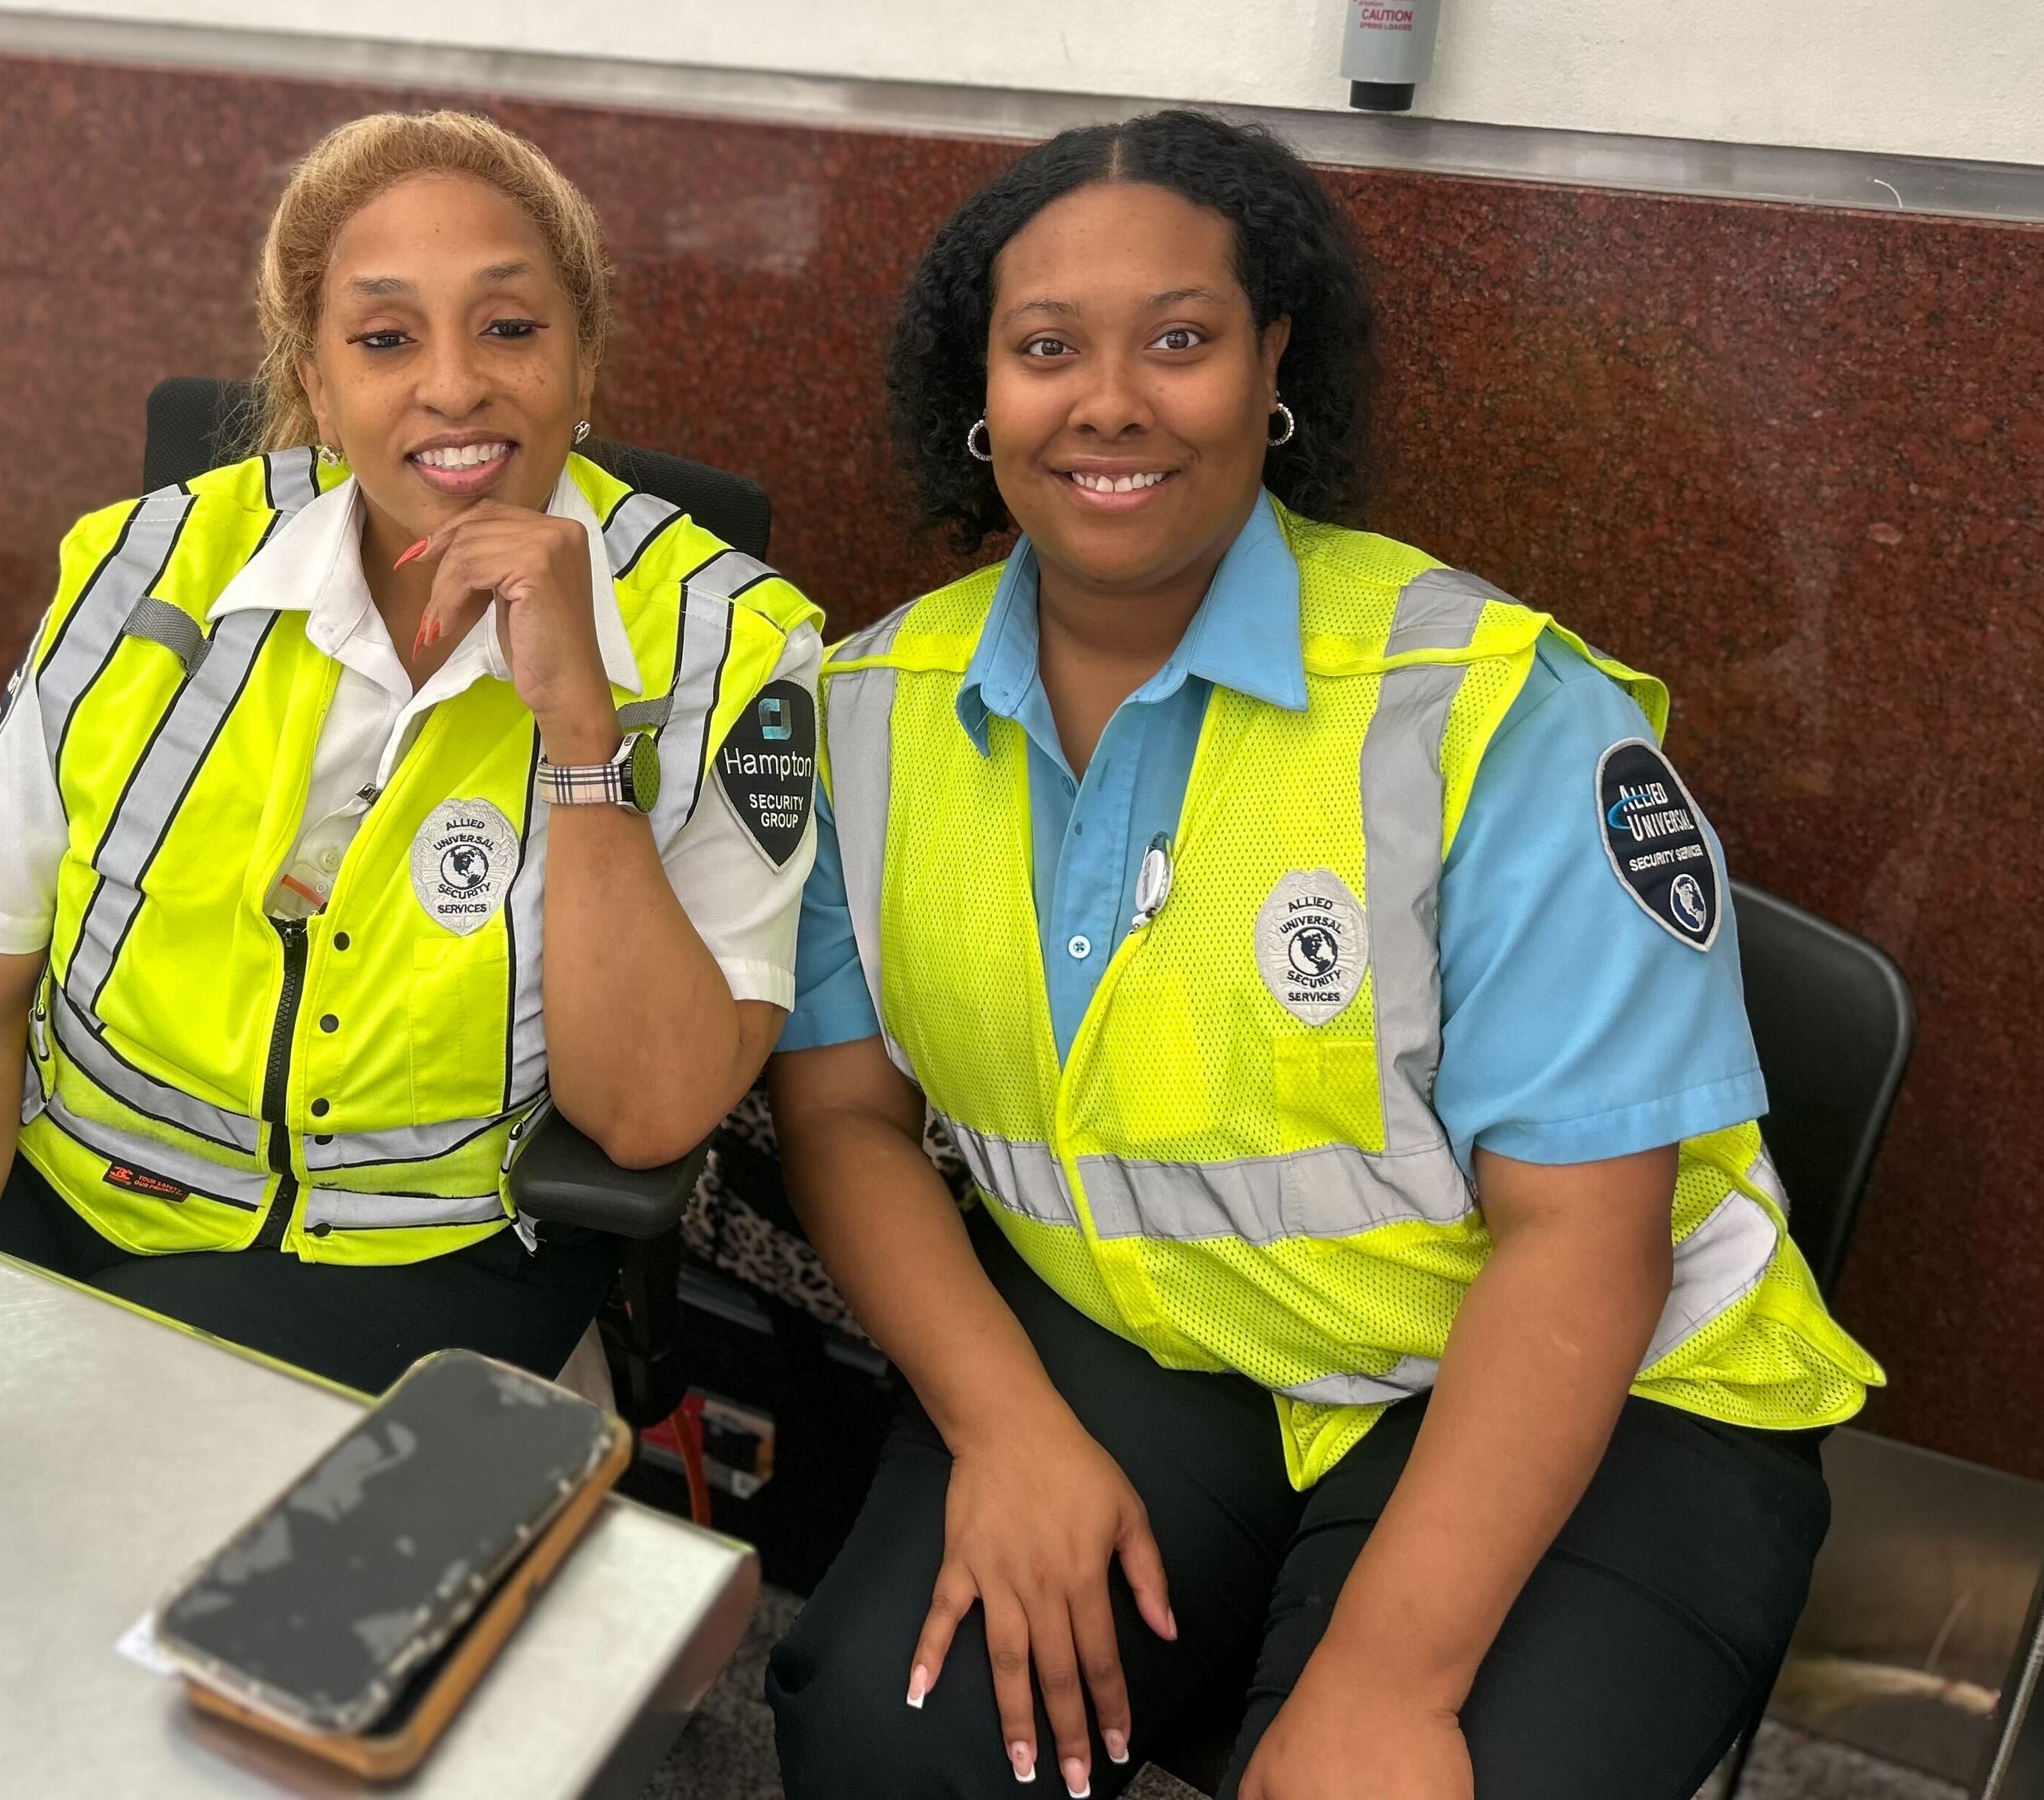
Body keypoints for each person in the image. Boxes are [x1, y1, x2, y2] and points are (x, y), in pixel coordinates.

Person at [762, 110, 1882, 1799]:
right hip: (1163, 1346)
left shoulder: (1488, 709)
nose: (1113, 402)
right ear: (977, 393)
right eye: (1047, 347)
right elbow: (842, 1116)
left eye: (1183, 341)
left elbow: (1584, 1242)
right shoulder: (866, 714)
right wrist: (1004, 1430)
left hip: (1586, 1385)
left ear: (1272, 363)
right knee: (888, 1739)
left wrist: (1383, 1674)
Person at [0, 110, 822, 1391]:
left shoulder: (733, 643)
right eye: (385, 337)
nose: (453, 385)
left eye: (510, 328)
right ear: (316, 382)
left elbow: (646, 1114)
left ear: (583, 362)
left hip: (411, 1260)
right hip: (67, 1177)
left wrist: (579, 735)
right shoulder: (145, 565)